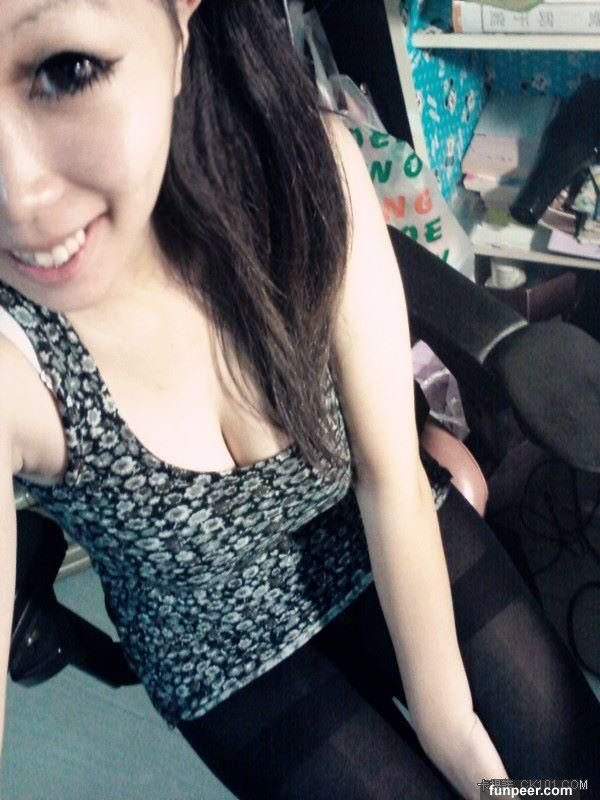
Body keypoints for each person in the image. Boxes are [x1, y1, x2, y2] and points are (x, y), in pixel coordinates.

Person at [0, 1, 597, 797]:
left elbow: (390, 478)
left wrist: (458, 737)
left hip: (370, 522)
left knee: (566, 774)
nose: (17, 197)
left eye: (66, 70)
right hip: (216, 647)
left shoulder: (301, 171)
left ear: (179, 20)